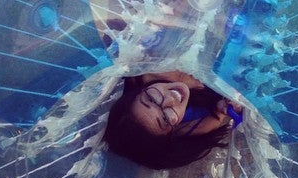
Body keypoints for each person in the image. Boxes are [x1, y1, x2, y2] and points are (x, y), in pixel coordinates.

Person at [104, 70, 243, 169]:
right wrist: (223, 105)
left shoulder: (148, 66)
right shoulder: (193, 125)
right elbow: (218, 114)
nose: (170, 99)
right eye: (165, 118)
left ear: (138, 91)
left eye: (152, 99)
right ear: (174, 130)